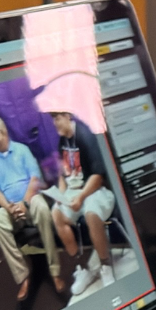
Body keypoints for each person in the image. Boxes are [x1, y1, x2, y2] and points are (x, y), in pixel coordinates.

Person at [0, 115, 62, 301]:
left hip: (30, 199)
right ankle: (23, 276)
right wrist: (10, 208)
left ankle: (55, 270)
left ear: (4, 132)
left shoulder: (22, 150)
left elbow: (35, 179)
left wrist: (24, 203)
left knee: (42, 209)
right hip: (11, 207)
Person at [49, 109, 117, 297]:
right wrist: (60, 196)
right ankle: (81, 268)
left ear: (68, 116)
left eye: (57, 118)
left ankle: (105, 266)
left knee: (91, 212)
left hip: (95, 190)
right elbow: (63, 176)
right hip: (74, 192)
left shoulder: (86, 136)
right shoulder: (62, 141)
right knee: (56, 213)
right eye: (52, 119)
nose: (54, 123)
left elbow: (97, 177)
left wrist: (80, 197)